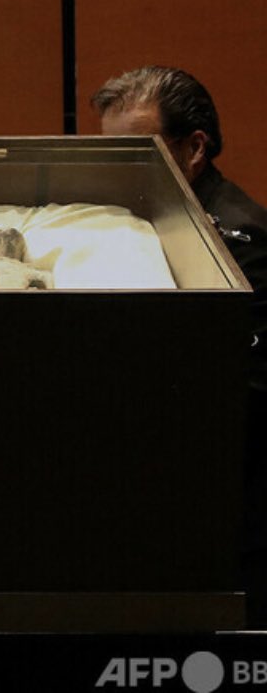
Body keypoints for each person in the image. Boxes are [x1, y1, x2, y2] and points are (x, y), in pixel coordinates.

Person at [92, 66, 267, 626]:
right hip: (159, 490)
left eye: (138, 151)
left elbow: (239, 388)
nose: (119, 172)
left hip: (229, 503)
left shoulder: (242, 242)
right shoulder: (151, 220)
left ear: (194, 149)